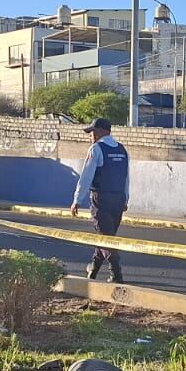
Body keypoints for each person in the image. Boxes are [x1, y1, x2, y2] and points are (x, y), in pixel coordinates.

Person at [68, 117, 131, 283]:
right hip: (118, 199)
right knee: (106, 237)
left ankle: (117, 275)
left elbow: (86, 176)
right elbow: (126, 178)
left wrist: (77, 200)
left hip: (101, 200)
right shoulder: (122, 150)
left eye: (92, 132)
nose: (91, 135)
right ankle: (93, 271)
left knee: (106, 238)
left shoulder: (96, 149)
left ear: (102, 131)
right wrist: (125, 198)